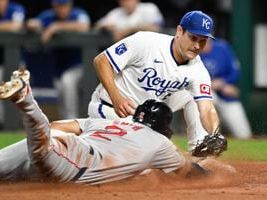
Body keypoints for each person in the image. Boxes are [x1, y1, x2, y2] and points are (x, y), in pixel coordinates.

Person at [0, 68, 208, 184]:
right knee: (42, 149)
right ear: (162, 127)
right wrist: (212, 172)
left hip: (60, 144)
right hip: (75, 163)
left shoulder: (110, 123)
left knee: (41, 144)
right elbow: (188, 171)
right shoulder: (160, 142)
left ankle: (27, 102)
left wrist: (53, 139)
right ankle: (25, 98)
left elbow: (57, 126)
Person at [88, 10, 223, 154]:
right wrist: (117, 98)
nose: (197, 45)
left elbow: (207, 108)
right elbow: (101, 61)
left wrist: (215, 134)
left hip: (143, 117)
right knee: (150, 160)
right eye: (193, 38)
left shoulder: (198, 69)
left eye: (202, 41)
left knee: (193, 96)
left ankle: (200, 150)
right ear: (179, 31)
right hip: (109, 109)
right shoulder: (146, 42)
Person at [26, 0, 90, 119]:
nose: (61, 9)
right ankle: (65, 122)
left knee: (68, 82)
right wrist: (33, 24)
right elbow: (33, 23)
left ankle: (72, 119)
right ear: (54, 6)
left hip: (79, 64)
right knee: (61, 92)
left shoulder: (78, 14)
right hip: (60, 67)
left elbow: (84, 26)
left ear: (70, 5)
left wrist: (56, 26)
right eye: (58, 6)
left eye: (64, 5)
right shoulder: (49, 16)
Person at [200, 38, 252, 139]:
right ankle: (211, 136)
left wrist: (223, 83)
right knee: (207, 99)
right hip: (206, 93)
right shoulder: (192, 51)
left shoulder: (222, 48)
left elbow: (235, 72)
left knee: (244, 135)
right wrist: (210, 84)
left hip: (226, 95)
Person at [0, 0, 25, 127]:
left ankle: (20, 123)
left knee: (20, 92)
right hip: (1, 62)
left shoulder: (15, 8)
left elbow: (16, 26)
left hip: (15, 62)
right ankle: (3, 124)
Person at [95, 0, 164, 41]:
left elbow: (155, 27)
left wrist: (127, 30)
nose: (126, 3)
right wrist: (108, 28)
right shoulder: (116, 13)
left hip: (148, 50)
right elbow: (97, 26)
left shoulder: (149, 8)